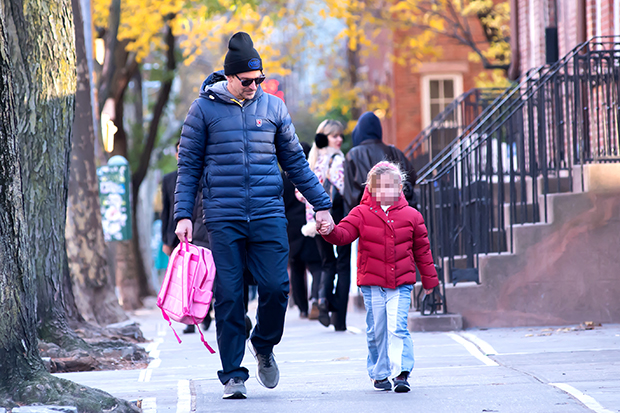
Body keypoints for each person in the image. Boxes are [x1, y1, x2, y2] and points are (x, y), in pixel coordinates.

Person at [174, 32, 334, 400]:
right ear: (229, 77)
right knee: (229, 295)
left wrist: (321, 204)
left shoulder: (273, 108)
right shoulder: (203, 110)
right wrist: (183, 214)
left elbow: (295, 162)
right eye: (247, 81)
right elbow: (189, 168)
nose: (254, 86)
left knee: (278, 288)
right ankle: (233, 374)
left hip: (267, 213)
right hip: (223, 216)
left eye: (259, 79)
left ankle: (263, 344)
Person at [318, 161, 439, 392]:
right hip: (373, 284)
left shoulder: (412, 215)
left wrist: (430, 280)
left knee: (398, 326)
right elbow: (343, 235)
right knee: (377, 330)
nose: (385, 191)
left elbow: (422, 250)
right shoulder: (361, 213)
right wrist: (330, 230)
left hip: (401, 283)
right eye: (380, 187)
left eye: (390, 186)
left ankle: (402, 372)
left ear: (400, 187)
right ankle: (379, 372)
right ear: (371, 189)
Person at [299, 120, 351, 331]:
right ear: (324, 138)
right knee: (343, 264)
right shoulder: (337, 160)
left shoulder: (312, 161)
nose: (339, 139)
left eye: (340, 136)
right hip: (337, 217)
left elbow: (299, 193)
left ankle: (322, 300)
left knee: (327, 262)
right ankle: (339, 319)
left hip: (315, 220)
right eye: (334, 136)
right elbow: (342, 186)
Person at [160, 140, 211, 334]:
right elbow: (166, 212)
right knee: (186, 279)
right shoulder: (168, 179)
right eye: (181, 152)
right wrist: (166, 241)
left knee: (204, 275)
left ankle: (205, 312)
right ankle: (191, 318)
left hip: (202, 230)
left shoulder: (202, 173)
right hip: (178, 235)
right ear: (176, 155)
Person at [343, 111, 418, 214]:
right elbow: (410, 178)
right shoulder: (394, 151)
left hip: (367, 216)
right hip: (395, 214)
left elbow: (350, 194)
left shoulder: (353, 155)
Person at [283, 141, 323, 319]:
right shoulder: (311, 175)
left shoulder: (283, 178)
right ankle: (316, 297)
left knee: (296, 268)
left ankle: (302, 308)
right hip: (311, 223)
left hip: (291, 228)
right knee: (316, 265)